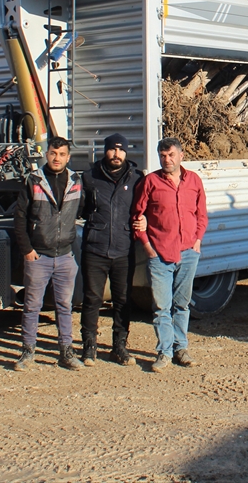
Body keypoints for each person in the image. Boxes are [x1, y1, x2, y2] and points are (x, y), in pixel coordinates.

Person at [131, 137, 208, 373]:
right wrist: (148, 247)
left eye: (171, 155)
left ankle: (181, 348)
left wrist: (196, 241)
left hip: (188, 252)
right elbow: (136, 216)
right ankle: (164, 352)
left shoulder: (193, 180)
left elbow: (201, 213)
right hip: (160, 254)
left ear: (181, 155)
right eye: (163, 155)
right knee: (161, 306)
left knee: (182, 304)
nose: (167, 159)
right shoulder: (150, 182)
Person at [12, 137, 87, 372]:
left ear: (68, 157)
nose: (57, 158)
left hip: (65, 256)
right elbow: (20, 219)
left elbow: (84, 209)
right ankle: (28, 352)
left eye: (62, 154)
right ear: (47, 154)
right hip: (39, 257)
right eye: (54, 153)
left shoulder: (76, 181)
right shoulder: (33, 181)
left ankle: (66, 352)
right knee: (32, 306)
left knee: (65, 306)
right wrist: (27, 250)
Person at [79, 132, 143, 366]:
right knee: (92, 299)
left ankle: (119, 347)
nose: (117, 154)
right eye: (112, 149)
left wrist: (144, 221)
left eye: (121, 150)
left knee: (123, 301)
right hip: (95, 248)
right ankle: (89, 347)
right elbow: (82, 209)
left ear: (126, 152)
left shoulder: (136, 178)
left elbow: (143, 208)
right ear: (105, 150)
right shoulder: (89, 177)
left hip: (124, 248)